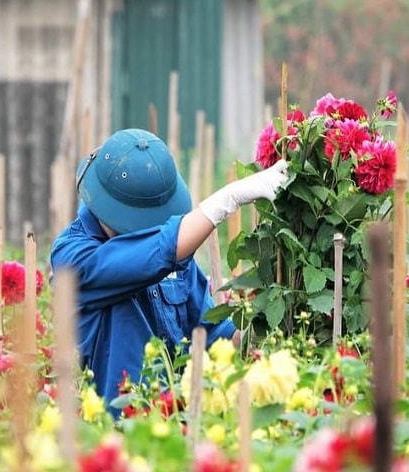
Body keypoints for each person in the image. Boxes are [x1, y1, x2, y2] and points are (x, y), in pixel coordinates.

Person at [50, 128, 289, 412]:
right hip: (115, 432)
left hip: (178, 426)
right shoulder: (73, 256)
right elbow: (150, 256)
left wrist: (265, 322)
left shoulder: (176, 258)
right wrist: (229, 198)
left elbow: (211, 336)